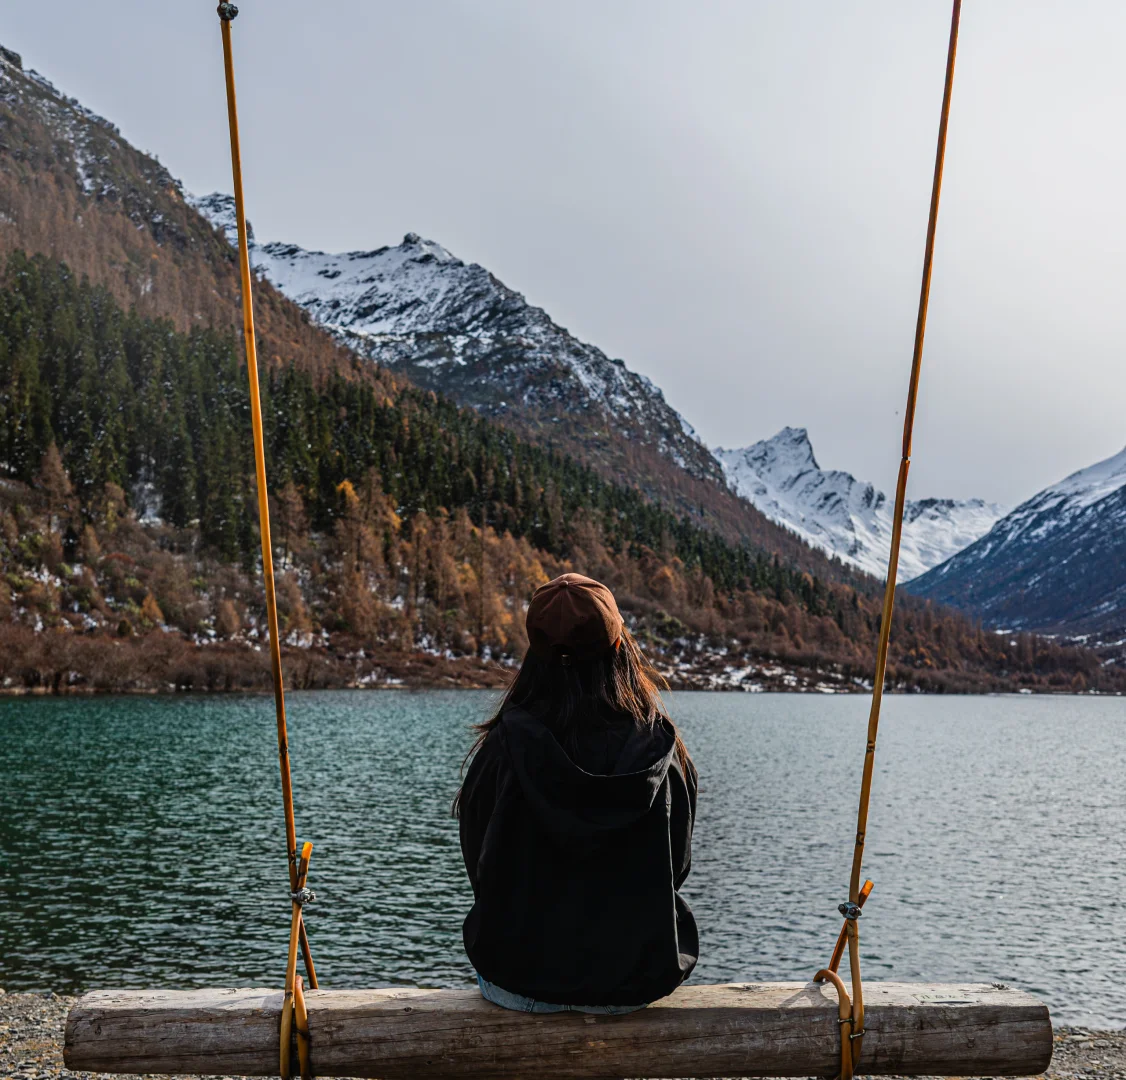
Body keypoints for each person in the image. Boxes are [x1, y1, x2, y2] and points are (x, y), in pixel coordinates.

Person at [455, 572, 698, 1014]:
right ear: (621, 648)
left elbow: (480, 863)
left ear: (535, 656)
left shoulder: (502, 749)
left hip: (518, 980)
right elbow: (675, 868)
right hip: (634, 981)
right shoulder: (660, 750)